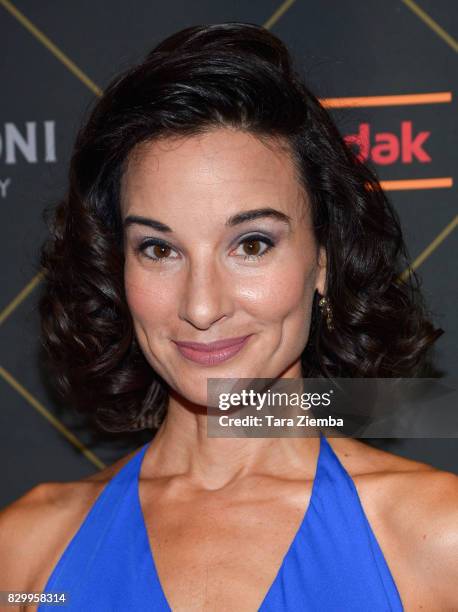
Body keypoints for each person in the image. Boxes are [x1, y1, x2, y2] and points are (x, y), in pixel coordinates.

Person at [0, 22, 456, 612]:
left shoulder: (435, 540)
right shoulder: (27, 557)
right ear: (116, 270)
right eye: (159, 250)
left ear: (322, 260)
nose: (202, 306)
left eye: (252, 244)